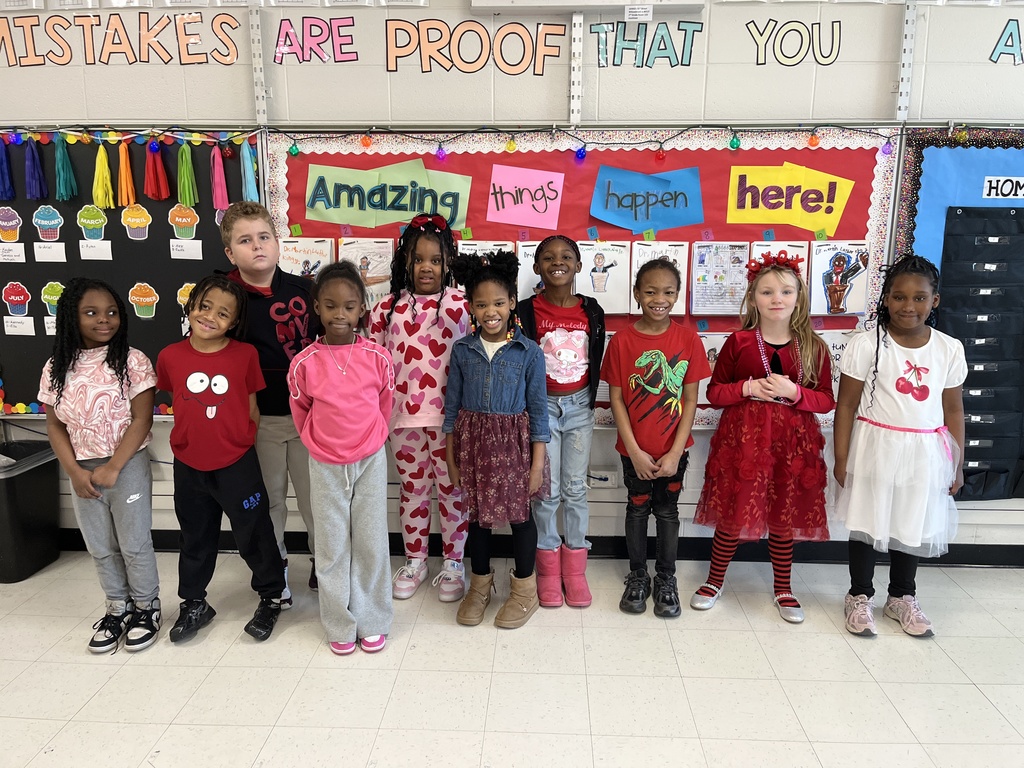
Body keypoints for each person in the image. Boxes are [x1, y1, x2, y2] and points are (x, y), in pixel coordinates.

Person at [690, 253, 834, 623]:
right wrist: (749, 386)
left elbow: (826, 400)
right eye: (767, 292)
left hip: (793, 445)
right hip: (745, 443)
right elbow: (716, 393)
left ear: (799, 297)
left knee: (783, 513)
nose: (777, 299)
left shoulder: (814, 347)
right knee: (733, 513)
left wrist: (795, 392)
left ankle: (784, 588)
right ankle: (714, 580)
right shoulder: (738, 342)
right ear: (753, 297)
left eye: (786, 291)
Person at [835, 255, 966, 638]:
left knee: (912, 520)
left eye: (919, 298)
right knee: (866, 520)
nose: (908, 306)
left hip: (925, 451)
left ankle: (901, 596)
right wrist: (841, 458)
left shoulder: (948, 348)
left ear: (935, 301)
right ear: (886, 299)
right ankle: (859, 594)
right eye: (899, 297)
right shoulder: (865, 345)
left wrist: (956, 463)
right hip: (875, 445)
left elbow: (954, 408)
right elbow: (846, 405)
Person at [156, 274, 286, 644]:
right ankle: (194, 602)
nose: (211, 316)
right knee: (195, 536)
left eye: (223, 313)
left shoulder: (244, 355)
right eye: (205, 305)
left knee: (255, 533)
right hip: (189, 465)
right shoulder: (170, 355)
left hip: (237, 464)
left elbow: (252, 407)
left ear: (234, 322)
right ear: (191, 305)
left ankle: (271, 597)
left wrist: (241, 441)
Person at [39, 278, 161, 653]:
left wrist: (113, 467)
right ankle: (117, 606)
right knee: (100, 545)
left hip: (126, 465)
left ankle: (146, 606)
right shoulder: (57, 365)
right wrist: (74, 471)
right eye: (90, 313)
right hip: (83, 469)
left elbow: (142, 419)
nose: (103, 320)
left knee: (134, 542)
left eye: (111, 312)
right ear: (71, 318)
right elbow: (54, 425)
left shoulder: (132, 360)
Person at [289, 262, 395, 655]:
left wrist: (372, 439)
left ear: (362, 309)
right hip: (325, 463)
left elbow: (385, 403)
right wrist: (318, 444)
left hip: (369, 459)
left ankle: (372, 619)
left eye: (349, 306)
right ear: (316, 307)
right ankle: (338, 622)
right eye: (330, 305)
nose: (339, 314)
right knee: (332, 544)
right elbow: (300, 409)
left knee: (370, 541)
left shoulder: (377, 357)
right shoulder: (305, 362)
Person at [443, 250, 550, 629]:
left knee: (521, 519)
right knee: (477, 521)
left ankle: (525, 591)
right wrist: (452, 461)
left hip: (516, 450)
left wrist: (537, 465)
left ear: (511, 304)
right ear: (471, 306)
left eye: (499, 303)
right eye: (482, 303)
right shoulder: (462, 351)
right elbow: (451, 411)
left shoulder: (529, 352)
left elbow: (538, 414)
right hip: (473, 449)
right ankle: (479, 586)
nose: (491, 310)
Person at [368, 213, 470, 603]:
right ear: (405, 261)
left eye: (435, 259)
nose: (426, 267)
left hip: (450, 421)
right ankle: (415, 559)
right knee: (412, 490)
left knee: (452, 491)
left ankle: (454, 562)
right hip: (401, 419)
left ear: (448, 263)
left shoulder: (462, 306)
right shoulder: (386, 308)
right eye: (418, 259)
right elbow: (372, 364)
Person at [601, 259, 711, 618]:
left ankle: (666, 578)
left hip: (673, 452)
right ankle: (637, 576)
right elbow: (616, 397)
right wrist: (633, 450)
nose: (658, 299)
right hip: (634, 451)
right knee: (636, 510)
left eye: (667, 292)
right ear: (636, 294)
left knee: (667, 512)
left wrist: (675, 452)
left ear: (678, 296)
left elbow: (691, 398)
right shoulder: (622, 341)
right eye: (650, 291)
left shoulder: (688, 339)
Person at [222, 201, 320, 602]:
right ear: (230, 252)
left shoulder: (307, 291)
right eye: (245, 241)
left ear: (278, 243)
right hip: (256, 422)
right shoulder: (223, 298)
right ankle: (273, 570)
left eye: (264, 237)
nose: (257, 246)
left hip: (309, 421)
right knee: (269, 502)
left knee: (318, 502)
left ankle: (325, 563)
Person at [517, 234, 605, 608]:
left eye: (567, 256)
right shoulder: (524, 311)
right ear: (536, 267)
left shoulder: (592, 310)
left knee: (575, 489)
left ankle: (575, 570)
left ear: (579, 266)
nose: (558, 262)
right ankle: (549, 570)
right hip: (541, 411)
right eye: (548, 257)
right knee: (546, 492)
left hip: (580, 407)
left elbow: (597, 358)